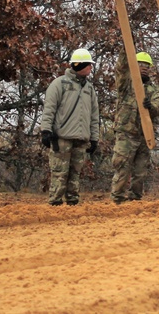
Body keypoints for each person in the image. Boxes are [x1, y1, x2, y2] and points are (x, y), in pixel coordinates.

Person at [40, 48, 100, 206]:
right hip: (62, 139)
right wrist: (45, 131)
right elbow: (49, 109)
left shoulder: (89, 88)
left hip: (81, 140)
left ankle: (73, 205)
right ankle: (55, 204)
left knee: (75, 175)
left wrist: (94, 138)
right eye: (88, 65)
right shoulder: (59, 84)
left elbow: (94, 116)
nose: (91, 68)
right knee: (59, 174)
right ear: (79, 65)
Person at [110, 50, 159, 204]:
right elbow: (120, 70)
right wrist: (124, 51)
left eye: (147, 65)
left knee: (140, 171)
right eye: (141, 64)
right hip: (126, 133)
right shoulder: (126, 85)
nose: (145, 68)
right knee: (122, 167)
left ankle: (135, 199)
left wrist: (151, 107)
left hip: (144, 134)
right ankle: (117, 199)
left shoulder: (153, 89)